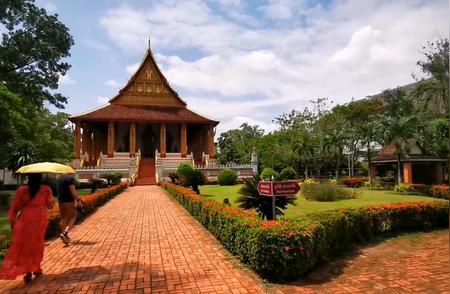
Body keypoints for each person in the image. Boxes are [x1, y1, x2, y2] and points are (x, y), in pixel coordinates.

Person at [0, 173, 55, 283]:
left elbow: (15, 207)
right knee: (37, 245)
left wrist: (12, 222)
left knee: (26, 245)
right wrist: (50, 200)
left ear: (28, 178)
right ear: (40, 178)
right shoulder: (45, 189)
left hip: (25, 218)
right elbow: (50, 205)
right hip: (39, 219)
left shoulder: (22, 190)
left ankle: (28, 271)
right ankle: (36, 268)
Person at [57, 173, 82, 245]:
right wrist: (78, 200)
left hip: (61, 201)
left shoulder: (59, 178)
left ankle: (63, 235)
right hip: (68, 200)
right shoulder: (70, 179)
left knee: (63, 218)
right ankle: (65, 233)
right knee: (73, 216)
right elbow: (73, 191)